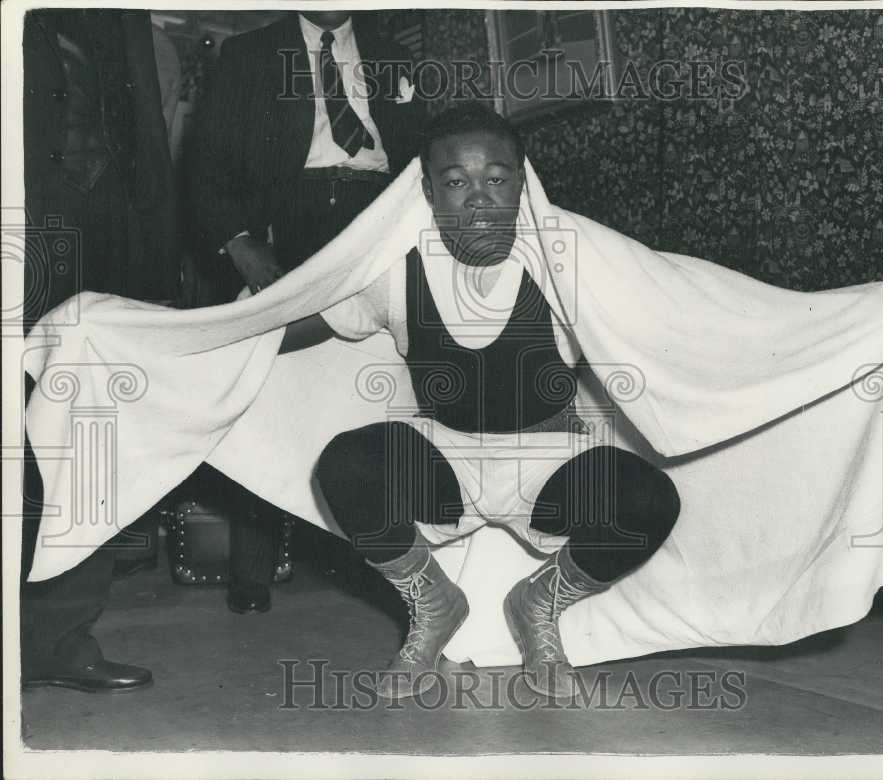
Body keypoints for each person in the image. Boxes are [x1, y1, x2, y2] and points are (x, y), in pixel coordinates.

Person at [279, 104, 682, 701]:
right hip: (448, 460)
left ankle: (539, 604)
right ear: (428, 190)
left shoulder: (569, 266)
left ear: (523, 184)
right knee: (344, 462)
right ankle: (433, 603)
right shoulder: (397, 271)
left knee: (650, 498)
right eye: (456, 182)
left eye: (496, 179)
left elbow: (691, 314)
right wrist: (199, 337)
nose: (477, 199)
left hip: (552, 463)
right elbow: (295, 321)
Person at [187, 9, 425, 614]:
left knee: (383, 388)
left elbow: (422, 152)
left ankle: (394, 568)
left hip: (377, 218)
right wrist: (241, 245)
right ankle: (253, 566)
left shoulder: (393, 50)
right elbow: (209, 161)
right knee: (270, 383)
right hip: (287, 221)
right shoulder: (249, 53)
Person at [20, 8, 176, 692]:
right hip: (17, 221)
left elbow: (144, 128)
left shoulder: (127, 17)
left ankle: (61, 635)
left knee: (86, 436)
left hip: (107, 227)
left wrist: (157, 266)